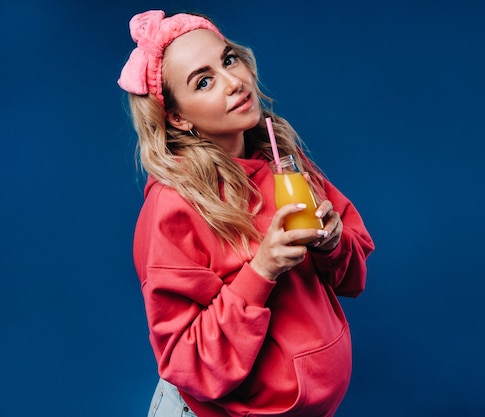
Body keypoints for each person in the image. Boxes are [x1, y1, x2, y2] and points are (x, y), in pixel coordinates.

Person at [118, 9, 374, 417]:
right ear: (178, 117)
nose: (234, 82)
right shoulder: (174, 207)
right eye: (204, 81)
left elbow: (352, 277)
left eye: (228, 60)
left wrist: (333, 243)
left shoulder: (283, 160)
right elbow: (188, 363)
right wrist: (262, 270)